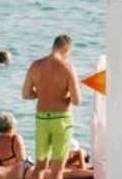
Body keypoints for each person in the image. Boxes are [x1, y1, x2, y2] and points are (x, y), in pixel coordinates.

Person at [22, 35, 80, 179]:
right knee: (57, 170)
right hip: (61, 120)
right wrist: (62, 96)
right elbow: (76, 100)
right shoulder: (68, 68)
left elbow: (26, 94)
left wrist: (41, 94)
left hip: (42, 119)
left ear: (53, 46)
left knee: (40, 166)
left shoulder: (35, 65)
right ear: (66, 49)